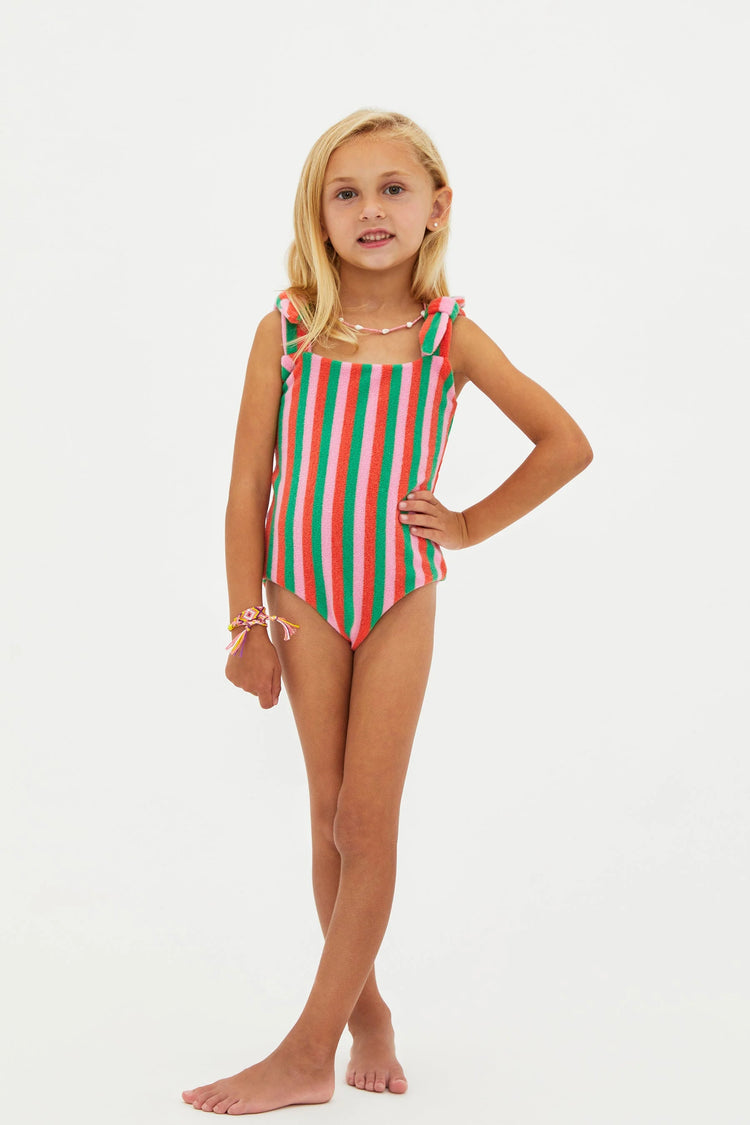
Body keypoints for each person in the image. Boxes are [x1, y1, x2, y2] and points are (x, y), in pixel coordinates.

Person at [182, 107, 593, 1116]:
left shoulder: (449, 336)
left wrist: (470, 524)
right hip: (301, 593)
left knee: (368, 821)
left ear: (437, 207)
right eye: (348, 192)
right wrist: (245, 624)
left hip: (399, 588)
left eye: (394, 188)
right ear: (318, 216)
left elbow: (565, 443)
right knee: (328, 818)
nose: (373, 208)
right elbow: (245, 491)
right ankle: (366, 1014)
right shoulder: (287, 329)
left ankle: (305, 1050)